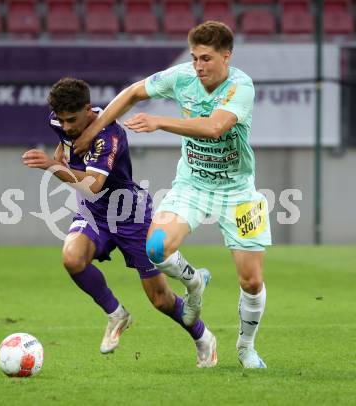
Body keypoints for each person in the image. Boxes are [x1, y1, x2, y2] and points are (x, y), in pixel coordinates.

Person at [73, 21, 272, 369]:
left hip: (238, 192)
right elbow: (135, 91)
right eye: (195, 58)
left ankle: (246, 347)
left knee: (251, 280)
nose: (199, 66)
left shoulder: (241, 86)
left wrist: (160, 122)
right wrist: (94, 129)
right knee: (155, 248)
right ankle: (195, 283)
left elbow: (214, 127)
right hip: (192, 186)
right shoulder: (182, 77)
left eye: (207, 58)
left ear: (227, 56)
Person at [22, 77, 217, 368]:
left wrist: (53, 167)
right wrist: (61, 150)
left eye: (72, 120)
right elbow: (65, 141)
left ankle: (203, 337)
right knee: (72, 258)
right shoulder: (60, 122)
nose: (66, 126)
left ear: (89, 110)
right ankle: (116, 314)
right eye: (61, 120)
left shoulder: (109, 136)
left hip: (130, 217)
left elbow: (94, 185)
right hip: (93, 214)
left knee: (160, 299)